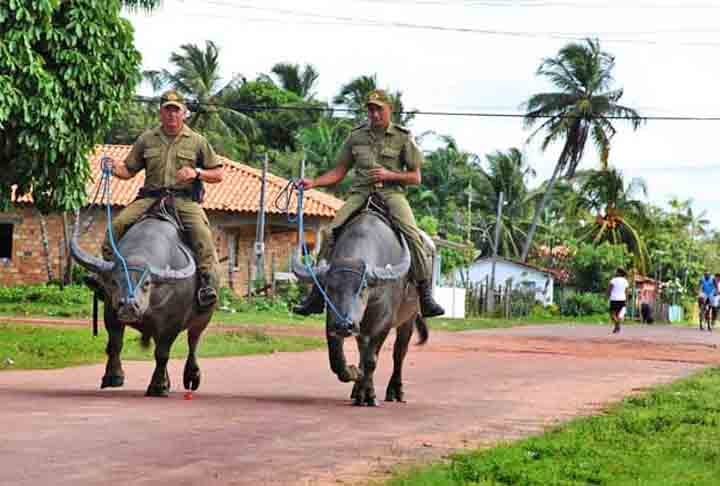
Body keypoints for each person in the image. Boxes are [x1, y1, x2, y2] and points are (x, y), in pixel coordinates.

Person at [293, 89, 445, 318]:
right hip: (360, 194)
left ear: (389, 110)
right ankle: (316, 295)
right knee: (331, 233)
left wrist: (388, 175)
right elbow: (339, 172)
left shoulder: (403, 137)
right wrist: (313, 183)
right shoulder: (356, 136)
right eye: (370, 109)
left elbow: (415, 177)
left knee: (413, 236)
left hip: (392, 194)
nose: (374, 114)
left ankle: (425, 295)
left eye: (378, 109)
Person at [96, 90, 224, 308]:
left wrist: (197, 173)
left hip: (183, 200)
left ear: (184, 113)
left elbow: (218, 174)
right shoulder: (146, 139)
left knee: (203, 236)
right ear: (161, 113)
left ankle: (205, 285)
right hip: (150, 197)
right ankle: (107, 279)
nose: (171, 115)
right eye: (167, 110)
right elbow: (128, 170)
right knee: (116, 226)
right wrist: (112, 167)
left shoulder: (197, 141)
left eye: (176, 111)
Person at [608, 268, 629, 334]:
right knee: (618, 315)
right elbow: (626, 291)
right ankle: (616, 328)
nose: (615, 273)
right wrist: (626, 299)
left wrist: (606, 296)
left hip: (614, 299)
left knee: (612, 315)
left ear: (619, 273)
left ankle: (617, 325)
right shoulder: (625, 281)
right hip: (622, 299)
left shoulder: (613, 280)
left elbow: (609, 289)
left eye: (616, 272)